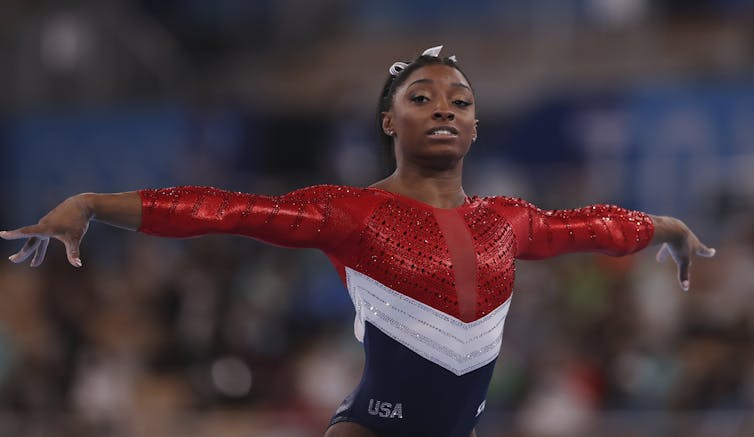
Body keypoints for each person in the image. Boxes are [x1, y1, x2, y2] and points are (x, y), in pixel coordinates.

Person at [1, 46, 715, 437]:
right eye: (422, 97)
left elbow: (592, 225)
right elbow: (225, 209)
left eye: (459, 100)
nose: (444, 107)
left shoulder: (508, 218)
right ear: (387, 122)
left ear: (473, 127)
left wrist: (669, 227)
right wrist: (95, 203)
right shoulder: (351, 212)